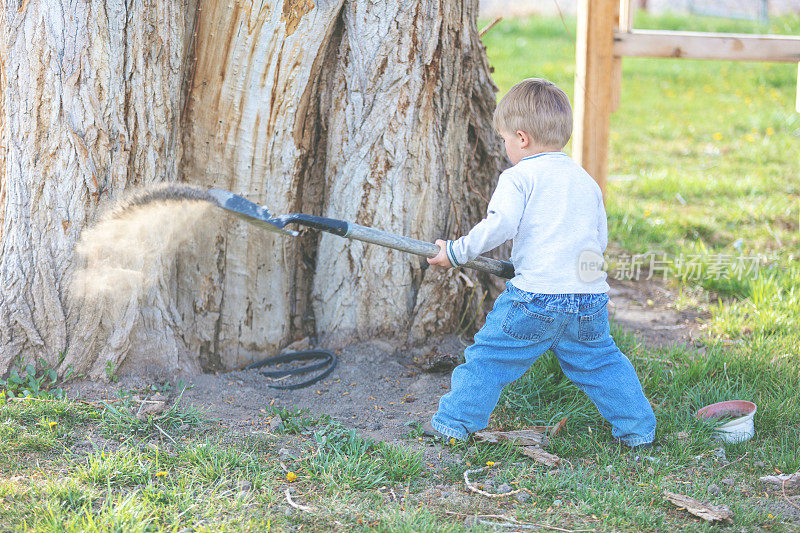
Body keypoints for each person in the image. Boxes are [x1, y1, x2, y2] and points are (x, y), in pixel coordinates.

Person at [424, 78, 656, 448]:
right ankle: (639, 430)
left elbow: (500, 225)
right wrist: (594, 287)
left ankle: (453, 423)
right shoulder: (585, 181)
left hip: (535, 300)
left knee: (489, 358)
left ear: (522, 138)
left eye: (503, 140)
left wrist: (455, 253)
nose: (504, 148)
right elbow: (597, 239)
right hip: (587, 300)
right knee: (602, 364)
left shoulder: (519, 177)